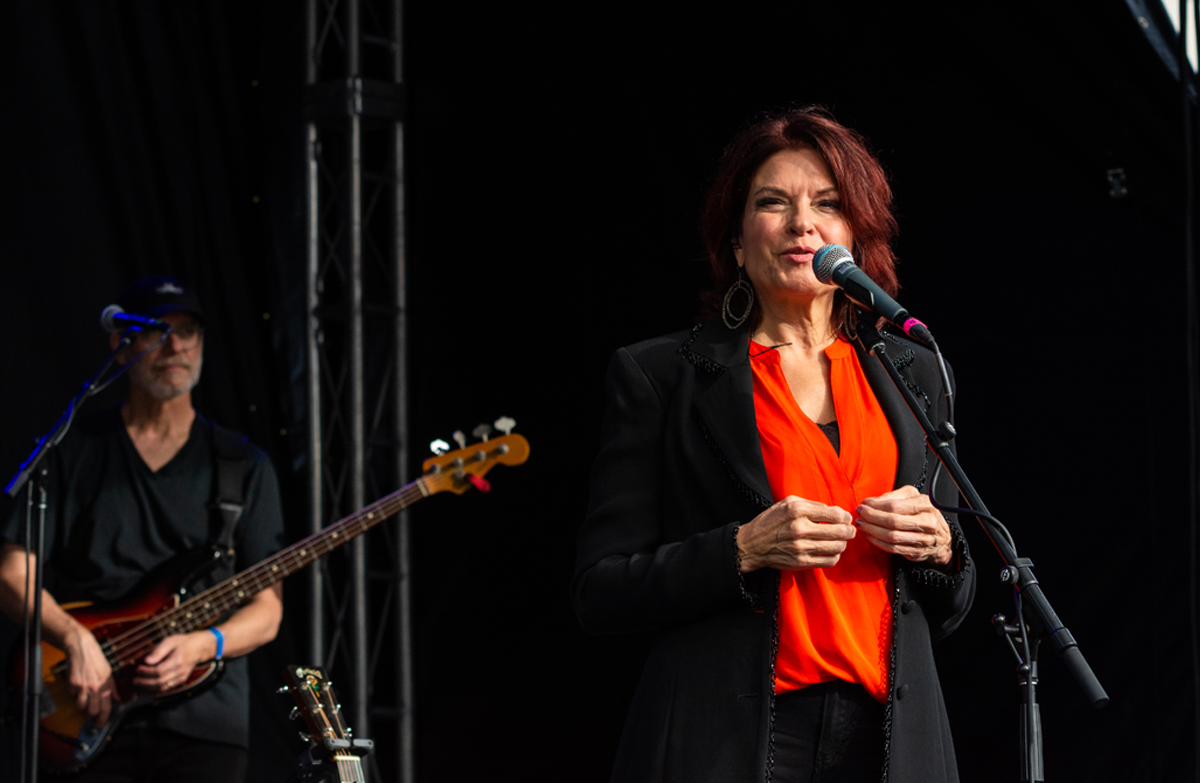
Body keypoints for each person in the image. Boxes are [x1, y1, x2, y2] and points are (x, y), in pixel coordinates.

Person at [572, 107, 975, 783]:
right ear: (735, 238)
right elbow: (600, 590)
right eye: (772, 203)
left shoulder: (915, 373)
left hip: (889, 741)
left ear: (858, 233)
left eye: (827, 203)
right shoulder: (660, 375)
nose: (801, 224)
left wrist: (940, 546)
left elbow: (953, 600)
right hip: (729, 738)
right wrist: (740, 549)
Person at [0, 276, 286, 782]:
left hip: (203, 725)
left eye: (189, 332)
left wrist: (206, 644)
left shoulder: (243, 467)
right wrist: (74, 639)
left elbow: (266, 611)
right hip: (81, 707)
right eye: (158, 331)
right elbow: (12, 575)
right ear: (121, 343)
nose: (175, 346)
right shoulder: (72, 449)